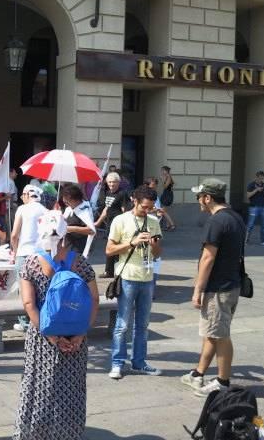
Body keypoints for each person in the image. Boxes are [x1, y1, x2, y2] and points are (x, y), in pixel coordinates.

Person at [13, 211, 99, 440]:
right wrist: (81, 334)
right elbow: (94, 299)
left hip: (42, 338)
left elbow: (29, 304)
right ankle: (68, 434)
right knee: (71, 389)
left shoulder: (31, 263)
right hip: (76, 335)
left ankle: (34, 435)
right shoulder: (80, 262)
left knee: (39, 388)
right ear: (65, 234)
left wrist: (50, 335)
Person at [182, 178, 246, 397]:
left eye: (199, 196)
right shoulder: (235, 217)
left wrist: (197, 290)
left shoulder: (216, 221)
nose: (198, 200)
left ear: (207, 198)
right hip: (231, 284)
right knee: (212, 331)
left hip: (218, 287)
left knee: (220, 335)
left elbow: (208, 258)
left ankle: (222, 382)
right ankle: (198, 374)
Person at [107, 185, 163, 379]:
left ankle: (139, 362)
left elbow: (157, 254)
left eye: (150, 207)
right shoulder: (120, 220)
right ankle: (117, 363)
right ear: (134, 201)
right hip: (127, 277)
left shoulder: (153, 221)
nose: (147, 210)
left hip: (147, 278)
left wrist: (153, 245)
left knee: (142, 325)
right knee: (122, 324)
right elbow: (109, 250)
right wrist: (132, 242)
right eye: (144, 207)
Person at [10, 184, 48, 331]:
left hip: (24, 252)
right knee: (40, 287)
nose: (22, 198)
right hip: (41, 254)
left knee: (23, 288)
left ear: (26, 195)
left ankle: (25, 321)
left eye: (22, 196)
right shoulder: (45, 210)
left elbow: (14, 235)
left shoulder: (22, 209)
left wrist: (14, 252)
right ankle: (39, 319)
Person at [95, 172, 130, 278]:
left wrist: (126, 226)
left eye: (114, 182)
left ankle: (117, 271)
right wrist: (98, 222)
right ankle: (109, 271)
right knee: (110, 248)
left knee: (116, 249)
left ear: (118, 182)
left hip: (119, 226)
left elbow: (125, 211)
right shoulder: (108, 193)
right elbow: (106, 209)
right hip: (110, 224)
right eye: (109, 182)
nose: (111, 184)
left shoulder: (122, 194)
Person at [60, 183, 95, 254]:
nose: (66, 204)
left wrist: (71, 228)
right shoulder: (69, 208)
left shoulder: (84, 210)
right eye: (65, 202)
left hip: (78, 247)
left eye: (67, 202)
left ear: (76, 200)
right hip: (68, 244)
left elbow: (91, 230)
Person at [245, 170, 264, 246]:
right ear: (256, 177)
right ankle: (245, 240)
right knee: (250, 225)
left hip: (263, 207)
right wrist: (256, 190)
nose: (261, 180)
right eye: (259, 178)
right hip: (253, 207)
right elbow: (248, 196)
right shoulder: (251, 185)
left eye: (262, 178)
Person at [159, 166, 177, 231]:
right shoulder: (168, 177)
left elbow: (165, 186)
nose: (161, 172)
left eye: (162, 170)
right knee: (164, 211)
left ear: (166, 171)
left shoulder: (168, 177)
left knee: (163, 211)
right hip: (167, 194)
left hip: (167, 195)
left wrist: (162, 180)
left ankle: (172, 225)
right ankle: (168, 225)